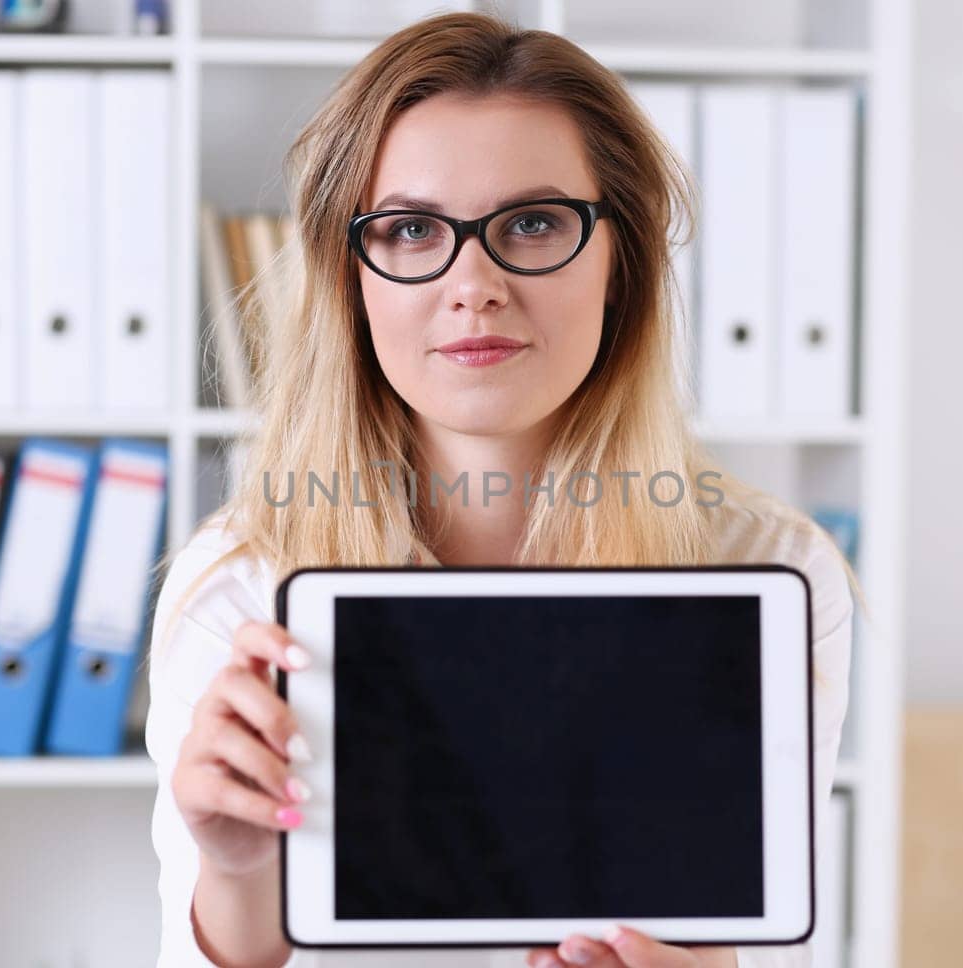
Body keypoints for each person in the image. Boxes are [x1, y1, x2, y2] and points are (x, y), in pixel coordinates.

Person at [144, 11, 865, 968]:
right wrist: (235, 874)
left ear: (622, 264)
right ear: (351, 280)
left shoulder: (766, 575)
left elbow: (759, 944)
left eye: (532, 223)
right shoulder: (240, 589)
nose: (473, 282)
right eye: (409, 230)